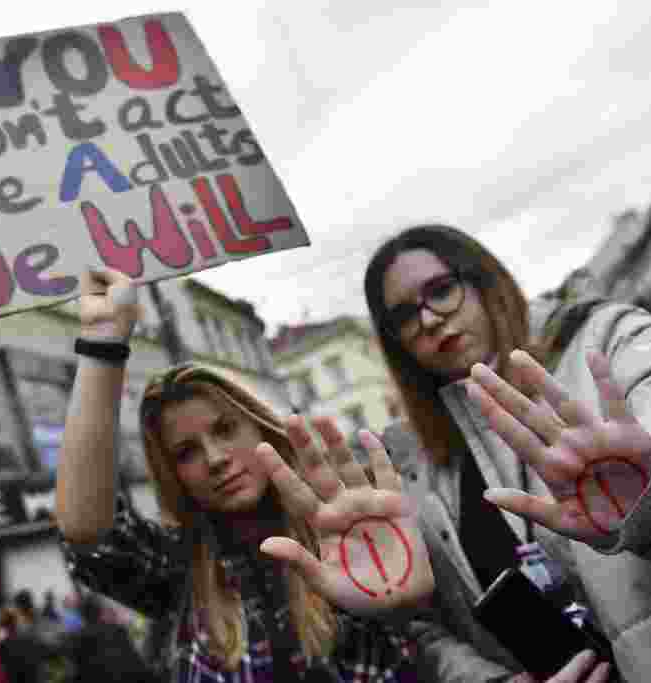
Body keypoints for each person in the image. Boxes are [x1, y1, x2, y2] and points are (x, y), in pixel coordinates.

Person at [356, 223, 651, 681]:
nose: (429, 319)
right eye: (405, 315)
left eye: (441, 290)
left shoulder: (600, 337)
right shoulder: (417, 466)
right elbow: (430, 630)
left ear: (482, 281)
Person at [55, 268, 428, 682]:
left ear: (261, 428)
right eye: (185, 452)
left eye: (225, 430)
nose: (214, 458)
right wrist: (102, 347)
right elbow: (87, 531)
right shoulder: (178, 568)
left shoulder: (351, 532)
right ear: (173, 475)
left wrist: (402, 604)